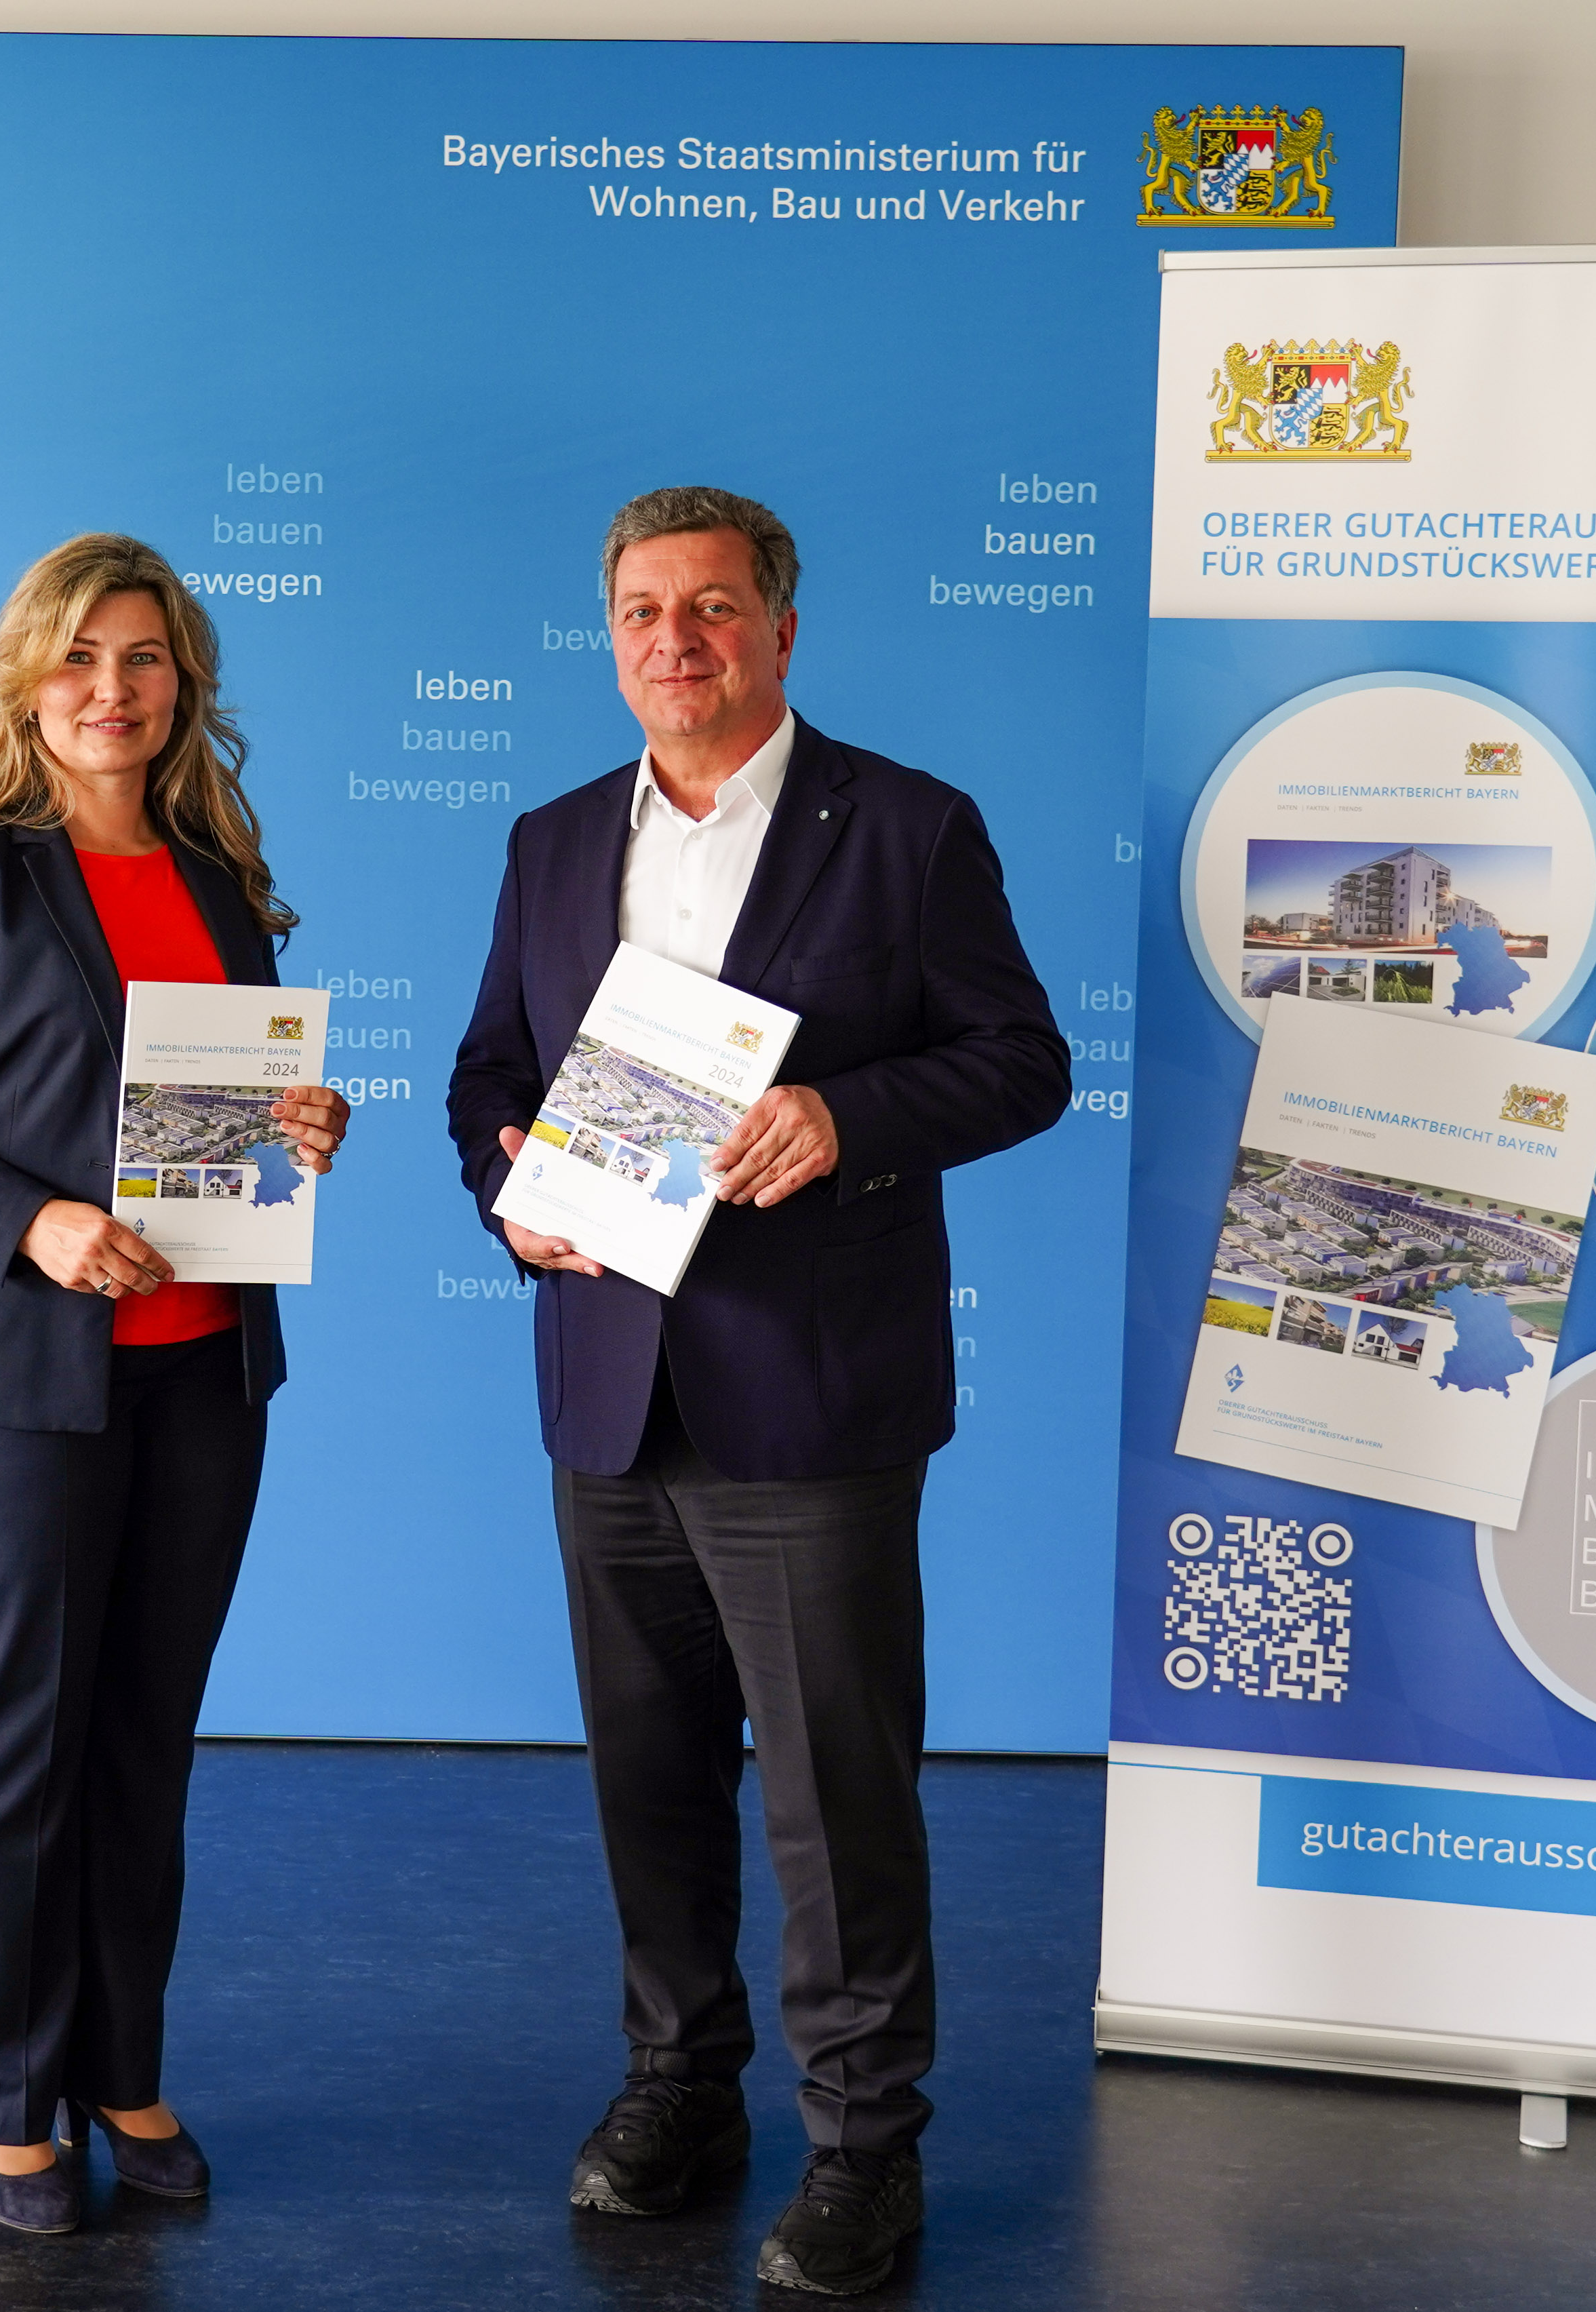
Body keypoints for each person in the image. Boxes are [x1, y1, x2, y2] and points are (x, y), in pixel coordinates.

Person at [447, 487, 1069, 2296]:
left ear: (780, 630)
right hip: (608, 1386)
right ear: (610, 636)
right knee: (648, 1779)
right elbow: (491, 1069)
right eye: (644, 610)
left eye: (713, 607)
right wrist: (508, 1185)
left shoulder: (909, 826)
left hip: (813, 1395)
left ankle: (865, 2145)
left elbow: (1020, 1059)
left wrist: (846, 1116)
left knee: (831, 1794)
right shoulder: (555, 838)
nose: (678, 639)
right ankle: (680, 2086)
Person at [0, 533, 349, 2235]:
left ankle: (119, 2066)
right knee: (23, 1730)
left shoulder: (217, 874)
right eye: (79, 658)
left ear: (183, 682)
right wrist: (30, 1220)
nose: (112, 689)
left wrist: (298, 1122)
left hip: (201, 1363)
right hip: (10, 1364)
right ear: (26, 682)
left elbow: (208, 1107)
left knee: (144, 1735)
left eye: (143, 658)